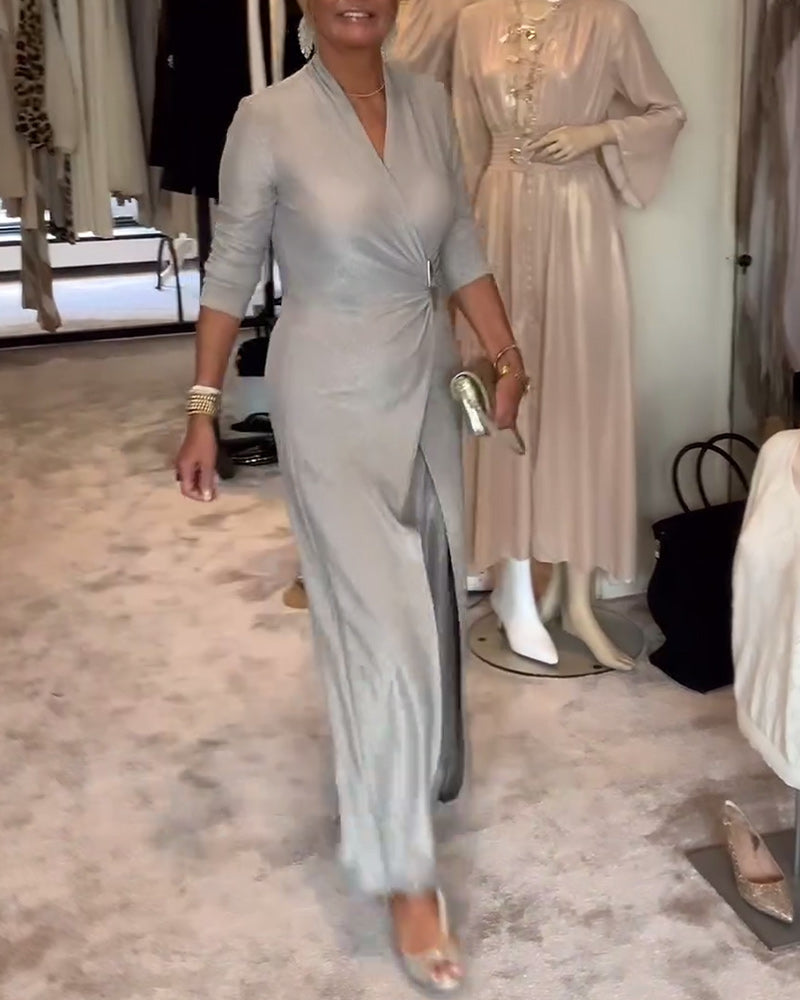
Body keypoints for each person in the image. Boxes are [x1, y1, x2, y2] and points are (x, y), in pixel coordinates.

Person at [175, 0, 527, 990]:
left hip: (422, 380)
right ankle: (405, 874)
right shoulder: (267, 119)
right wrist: (203, 407)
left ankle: (404, 773)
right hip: (326, 393)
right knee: (381, 629)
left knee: (429, 595)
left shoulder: (427, 102)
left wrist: (505, 352)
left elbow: (457, 239)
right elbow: (231, 268)